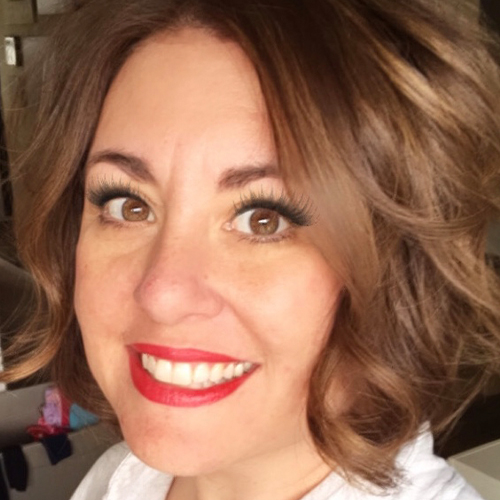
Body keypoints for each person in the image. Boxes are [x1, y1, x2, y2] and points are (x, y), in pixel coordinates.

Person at [2, 0, 500, 499]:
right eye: (129, 205)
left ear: (404, 268)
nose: (163, 294)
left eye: (265, 218)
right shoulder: (120, 478)